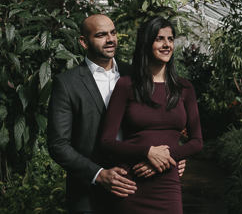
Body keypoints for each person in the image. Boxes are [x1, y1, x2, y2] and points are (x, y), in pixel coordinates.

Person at [47, 14, 185, 214]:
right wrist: (99, 174)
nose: (110, 39)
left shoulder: (137, 75)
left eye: (113, 33)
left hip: (139, 183)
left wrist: (175, 153)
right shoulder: (67, 83)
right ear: (84, 42)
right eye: (101, 35)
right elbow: (58, 145)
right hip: (90, 195)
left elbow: (161, 120)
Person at [100, 16, 203, 214]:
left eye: (170, 39)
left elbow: (197, 141)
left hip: (168, 185)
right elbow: (106, 140)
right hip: (131, 184)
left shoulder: (184, 88)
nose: (167, 45)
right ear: (147, 43)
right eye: (159, 39)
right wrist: (147, 152)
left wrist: (165, 157)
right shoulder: (126, 85)